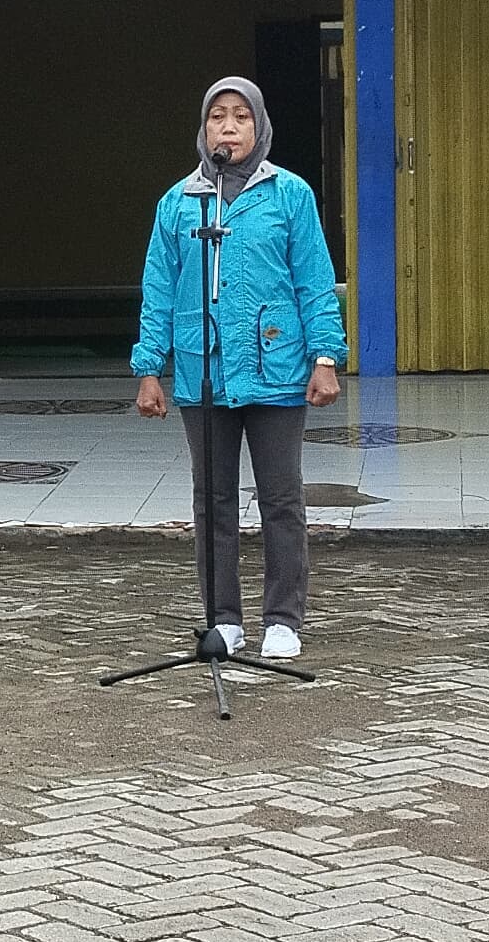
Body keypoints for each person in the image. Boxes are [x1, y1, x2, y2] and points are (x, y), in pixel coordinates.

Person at [131, 76, 345, 662]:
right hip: (203, 371)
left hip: (277, 368)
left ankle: (283, 618)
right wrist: (149, 367)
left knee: (281, 497)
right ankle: (223, 619)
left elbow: (314, 280)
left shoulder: (289, 194)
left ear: (259, 126)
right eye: (217, 116)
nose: (228, 127)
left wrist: (326, 357)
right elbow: (159, 289)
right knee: (212, 499)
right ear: (203, 128)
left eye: (241, 117)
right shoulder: (180, 203)